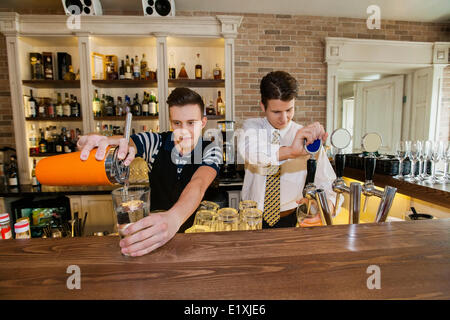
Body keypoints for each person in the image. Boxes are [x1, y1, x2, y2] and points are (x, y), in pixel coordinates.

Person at [78, 87, 222, 256]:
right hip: (152, 237)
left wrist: (173, 218)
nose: (184, 131)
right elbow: (128, 142)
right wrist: (105, 141)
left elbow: (198, 184)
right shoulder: (155, 142)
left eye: (191, 123)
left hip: (195, 238)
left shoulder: (211, 149)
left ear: (203, 122)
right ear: (170, 122)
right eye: (177, 123)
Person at [237, 71, 338, 228]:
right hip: (250, 218)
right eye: (276, 112)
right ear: (263, 106)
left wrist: (325, 207)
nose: (284, 118)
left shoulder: (307, 137)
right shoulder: (251, 127)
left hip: (289, 219)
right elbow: (252, 153)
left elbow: (328, 183)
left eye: (289, 110)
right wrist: (291, 151)